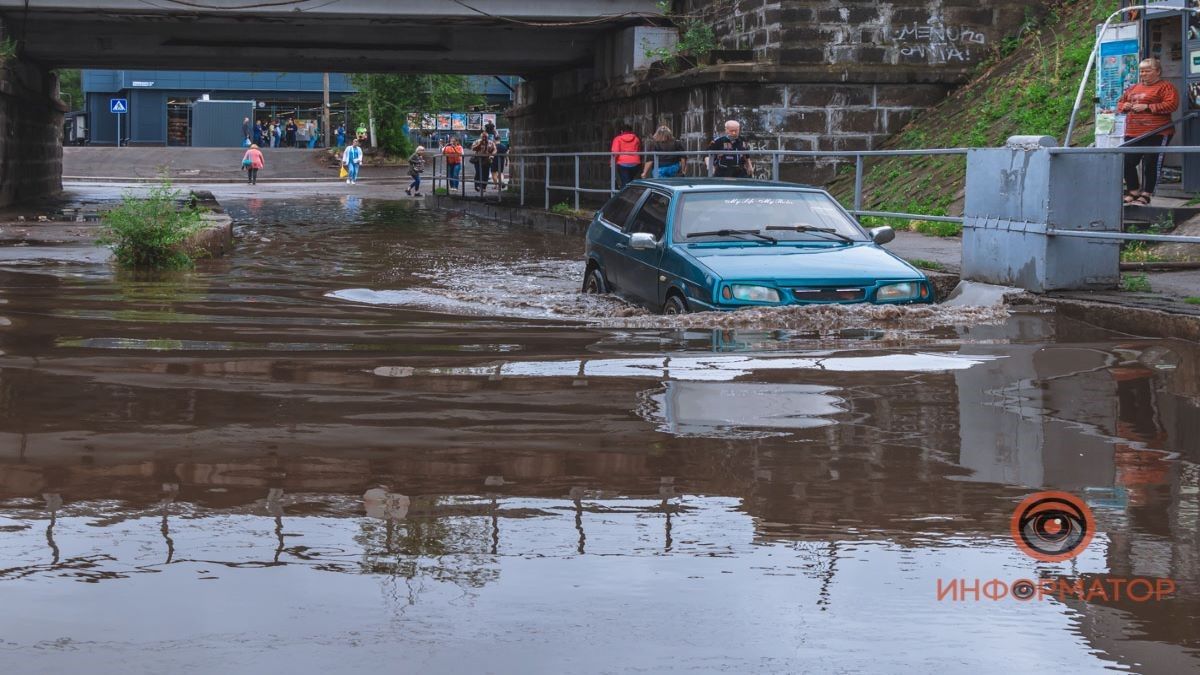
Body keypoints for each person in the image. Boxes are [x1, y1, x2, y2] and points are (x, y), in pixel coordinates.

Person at [1118, 58, 1180, 205]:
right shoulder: (1133, 88)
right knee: (1127, 161)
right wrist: (1124, 106)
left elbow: (1171, 105)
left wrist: (1147, 107)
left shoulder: (1166, 87)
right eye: (1141, 71)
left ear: (1157, 71)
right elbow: (1119, 103)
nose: (1143, 74)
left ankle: (1147, 194)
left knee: (1151, 163)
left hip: (1157, 132)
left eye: (1147, 70)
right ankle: (1133, 191)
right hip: (1133, 132)